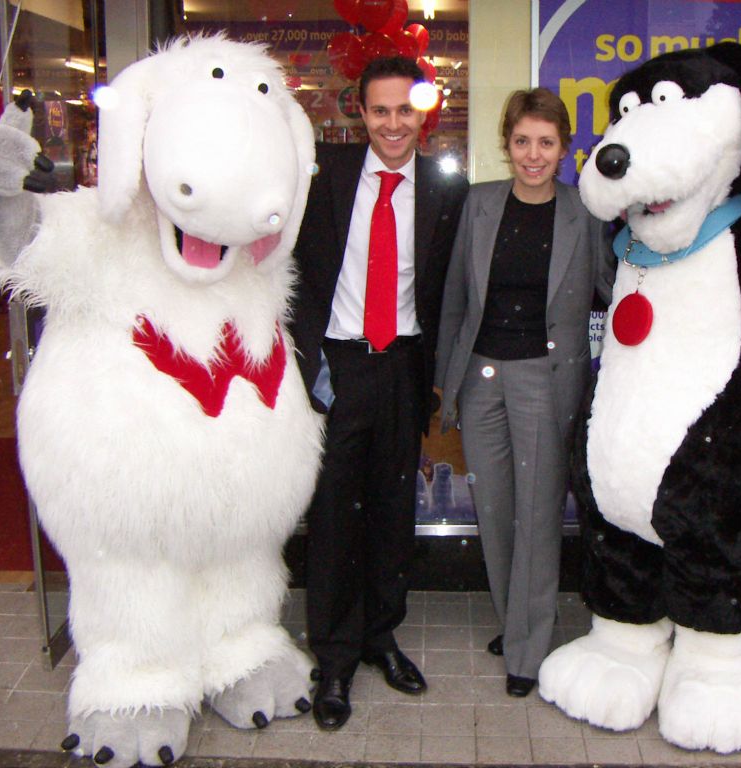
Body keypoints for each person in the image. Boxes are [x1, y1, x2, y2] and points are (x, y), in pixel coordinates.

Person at [288, 57, 469, 730]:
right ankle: (333, 658)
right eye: (380, 110)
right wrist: (306, 364)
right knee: (334, 512)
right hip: (338, 365)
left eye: (404, 110)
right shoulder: (324, 179)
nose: (394, 123)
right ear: (360, 114)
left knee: (395, 509)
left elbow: (449, 284)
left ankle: (379, 636)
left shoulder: (443, 189)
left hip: (402, 367)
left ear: (422, 114)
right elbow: (293, 269)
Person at [435, 88, 614, 697]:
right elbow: (457, 300)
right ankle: (517, 619)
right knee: (496, 511)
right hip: (482, 371)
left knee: (538, 514)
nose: (532, 155)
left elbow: (614, 285)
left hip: (545, 376)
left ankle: (529, 648)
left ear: (564, 149)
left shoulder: (583, 212)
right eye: (521, 142)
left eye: (545, 142)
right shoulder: (480, 203)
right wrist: (445, 383)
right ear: (506, 145)